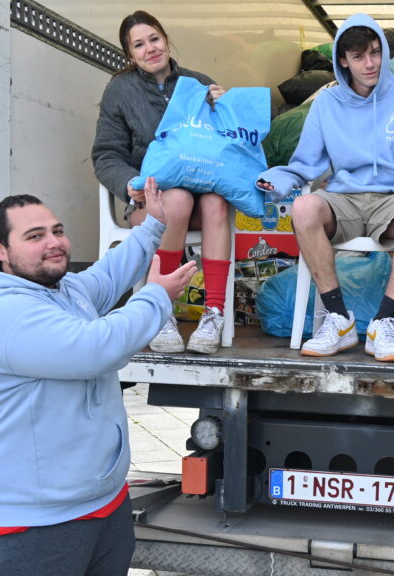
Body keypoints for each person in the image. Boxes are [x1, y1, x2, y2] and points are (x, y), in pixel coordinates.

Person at [0, 180, 196, 576]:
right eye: (35, 235)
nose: (54, 242)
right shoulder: (1, 312)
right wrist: (157, 296)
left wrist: (153, 226)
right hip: (30, 528)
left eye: (57, 230)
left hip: (98, 508)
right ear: (0, 251)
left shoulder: (60, 292)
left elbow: (106, 277)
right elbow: (96, 348)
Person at [256, 14, 394, 362]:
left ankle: (383, 322)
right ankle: (338, 318)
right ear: (343, 61)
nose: (370, 63)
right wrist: (280, 180)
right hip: (342, 199)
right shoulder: (327, 104)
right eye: (359, 56)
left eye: (376, 53)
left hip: (393, 202)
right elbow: (305, 164)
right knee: (303, 208)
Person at [92, 10, 232, 355]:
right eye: (138, 45)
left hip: (203, 198)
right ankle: (160, 310)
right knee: (178, 199)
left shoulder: (198, 83)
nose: (150, 49)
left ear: (166, 40)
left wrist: (227, 107)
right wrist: (128, 183)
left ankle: (214, 313)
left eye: (154, 39)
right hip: (150, 203)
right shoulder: (120, 90)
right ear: (130, 55)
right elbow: (106, 155)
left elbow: (229, 143)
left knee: (215, 202)